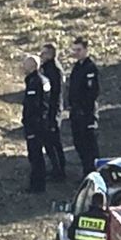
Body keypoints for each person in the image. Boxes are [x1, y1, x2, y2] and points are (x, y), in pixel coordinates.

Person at [66, 36, 101, 173]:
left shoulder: (90, 68)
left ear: (86, 50)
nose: (76, 53)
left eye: (79, 50)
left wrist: (83, 108)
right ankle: (86, 170)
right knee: (79, 143)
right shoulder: (77, 67)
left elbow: (92, 91)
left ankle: (93, 172)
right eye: (74, 50)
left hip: (86, 113)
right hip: (76, 113)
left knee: (89, 145)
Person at [20, 54, 49, 194]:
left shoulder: (36, 82)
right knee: (34, 155)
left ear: (32, 66)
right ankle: (36, 183)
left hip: (35, 125)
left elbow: (35, 106)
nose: (22, 67)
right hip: (36, 124)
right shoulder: (37, 81)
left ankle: (38, 185)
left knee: (36, 155)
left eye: (25, 64)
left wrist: (31, 123)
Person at [38, 43, 67, 180]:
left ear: (50, 54)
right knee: (49, 141)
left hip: (52, 110)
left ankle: (59, 170)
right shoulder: (46, 68)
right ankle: (56, 168)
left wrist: (51, 113)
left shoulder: (54, 70)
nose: (41, 56)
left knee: (53, 141)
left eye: (43, 53)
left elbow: (54, 93)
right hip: (49, 110)